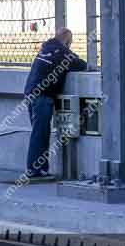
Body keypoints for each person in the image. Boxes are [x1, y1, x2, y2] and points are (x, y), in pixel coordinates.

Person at [24, 28, 87, 179]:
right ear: (67, 41)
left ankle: (37, 168)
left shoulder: (46, 48)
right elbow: (80, 64)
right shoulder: (62, 52)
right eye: (70, 43)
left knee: (37, 133)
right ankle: (35, 170)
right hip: (43, 96)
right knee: (41, 134)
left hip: (30, 93)